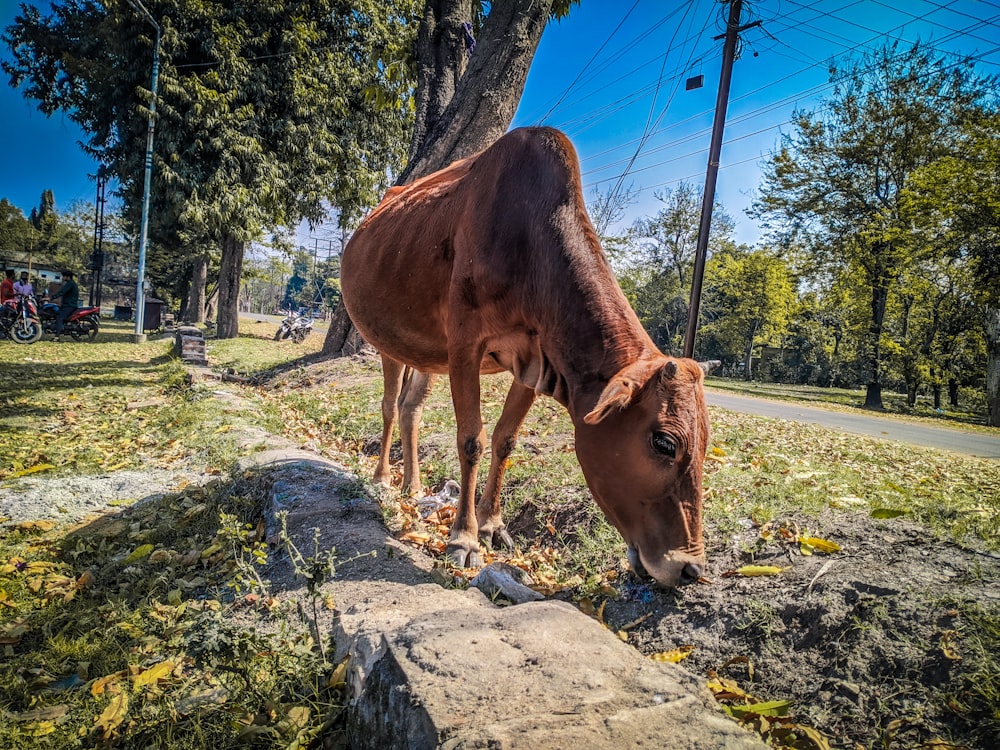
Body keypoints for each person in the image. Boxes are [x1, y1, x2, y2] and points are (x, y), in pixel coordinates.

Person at [49, 270, 80, 342]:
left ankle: (57, 336)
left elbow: (62, 292)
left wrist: (52, 298)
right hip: (68, 305)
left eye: (64, 276)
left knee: (60, 317)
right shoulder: (71, 283)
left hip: (69, 305)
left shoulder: (70, 284)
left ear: (67, 277)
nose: (62, 278)